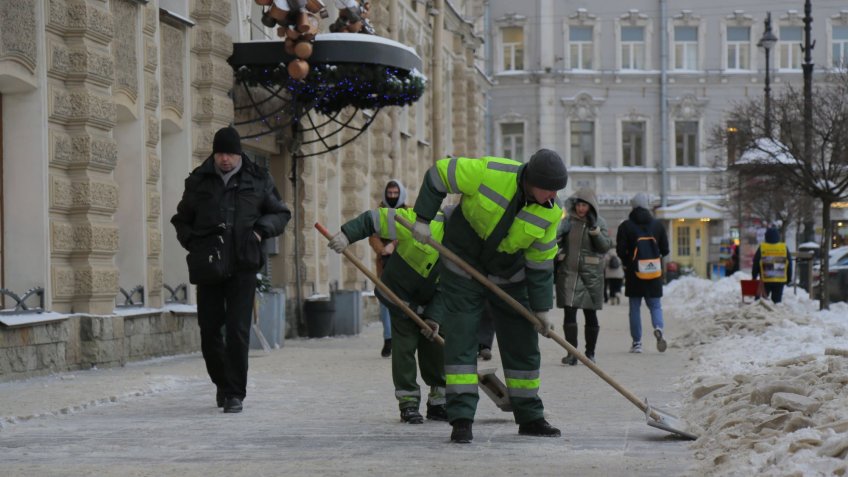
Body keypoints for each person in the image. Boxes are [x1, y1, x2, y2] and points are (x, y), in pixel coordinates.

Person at [410, 149, 567, 444]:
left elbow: (541, 264)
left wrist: (542, 309)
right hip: (463, 265)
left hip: (511, 276)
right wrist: (422, 218)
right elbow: (439, 174)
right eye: (549, 189)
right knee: (461, 339)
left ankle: (530, 416)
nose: (552, 196)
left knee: (523, 343)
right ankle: (461, 419)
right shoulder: (491, 172)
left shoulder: (550, 212)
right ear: (531, 180)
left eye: (557, 191)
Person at [171, 126, 291, 413]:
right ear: (214, 153)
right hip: (210, 266)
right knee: (209, 331)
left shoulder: (258, 179)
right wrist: (195, 244)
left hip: (243, 265)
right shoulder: (199, 181)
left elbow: (280, 213)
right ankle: (222, 385)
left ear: (239, 155)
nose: (225, 159)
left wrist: (261, 231)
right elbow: (181, 220)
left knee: (237, 330)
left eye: (231, 154)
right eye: (221, 153)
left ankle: (235, 393)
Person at [328, 206, 449, 424]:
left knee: (436, 349)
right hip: (400, 296)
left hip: (433, 300)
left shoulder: (466, 250)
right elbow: (374, 219)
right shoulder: (422, 221)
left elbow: (451, 287)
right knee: (404, 348)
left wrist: (434, 318)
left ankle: (439, 401)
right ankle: (408, 403)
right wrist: (347, 235)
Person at [554, 188, 611, 366]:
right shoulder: (568, 222)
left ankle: (590, 353)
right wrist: (558, 244)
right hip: (569, 273)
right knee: (569, 314)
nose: (580, 209)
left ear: (591, 206)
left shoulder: (599, 222)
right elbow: (555, 239)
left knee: (590, 314)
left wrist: (595, 232)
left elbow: (604, 247)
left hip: (591, 276)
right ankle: (572, 353)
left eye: (584, 205)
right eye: (578, 205)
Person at [616, 193, 669, 355]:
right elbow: (665, 250)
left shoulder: (626, 226)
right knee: (655, 305)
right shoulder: (657, 225)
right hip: (654, 271)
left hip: (634, 272)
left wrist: (628, 263)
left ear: (632, 207)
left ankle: (637, 342)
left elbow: (620, 250)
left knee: (635, 308)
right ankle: (658, 328)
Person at [369, 180, 408, 358]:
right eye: (390, 193)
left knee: (402, 303)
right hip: (384, 263)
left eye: (395, 193)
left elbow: (408, 234)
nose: (392, 196)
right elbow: (373, 235)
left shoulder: (408, 212)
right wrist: (382, 249)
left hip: (404, 263)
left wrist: (394, 244)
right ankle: (388, 338)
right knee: (385, 302)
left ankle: (402, 338)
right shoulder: (379, 212)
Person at [751, 226, 792, 304]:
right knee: (777, 303)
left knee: (763, 303)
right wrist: (789, 279)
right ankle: (776, 315)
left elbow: (756, 263)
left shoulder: (762, 247)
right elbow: (789, 264)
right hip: (780, 280)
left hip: (766, 280)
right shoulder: (784, 247)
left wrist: (754, 276)